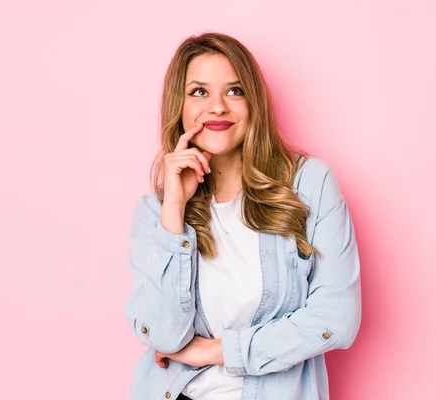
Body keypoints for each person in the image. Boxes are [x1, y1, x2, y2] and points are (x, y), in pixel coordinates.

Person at [124, 32, 362, 400]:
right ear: (179, 105)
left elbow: (337, 319)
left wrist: (215, 350)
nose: (217, 107)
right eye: (199, 92)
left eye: (234, 90)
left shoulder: (309, 185)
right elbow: (163, 336)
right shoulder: (155, 212)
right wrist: (175, 208)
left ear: (254, 102)